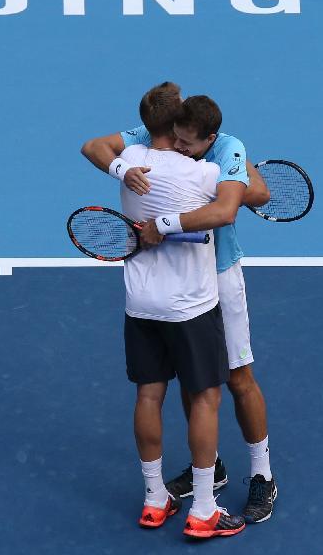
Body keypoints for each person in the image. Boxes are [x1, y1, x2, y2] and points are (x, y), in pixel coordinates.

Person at [81, 92, 278, 524]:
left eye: (192, 144)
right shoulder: (157, 138)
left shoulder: (227, 149)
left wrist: (190, 205)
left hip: (219, 275)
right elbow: (96, 145)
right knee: (196, 386)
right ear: (172, 131)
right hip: (181, 287)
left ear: (206, 136)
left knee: (237, 378)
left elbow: (255, 195)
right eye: (180, 142)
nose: (184, 150)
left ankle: (262, 474)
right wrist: (125, 170)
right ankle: (211, 469)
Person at [112, 81, 245, 538]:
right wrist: (228, 150)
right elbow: (248, 199)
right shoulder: (203, 176)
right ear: (178, 126)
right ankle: (204, 507)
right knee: (206, 398)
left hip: (140, 303)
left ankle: (154, 499)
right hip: (190, 306)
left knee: (148, 397)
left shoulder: (128, 164)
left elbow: (94, 147)